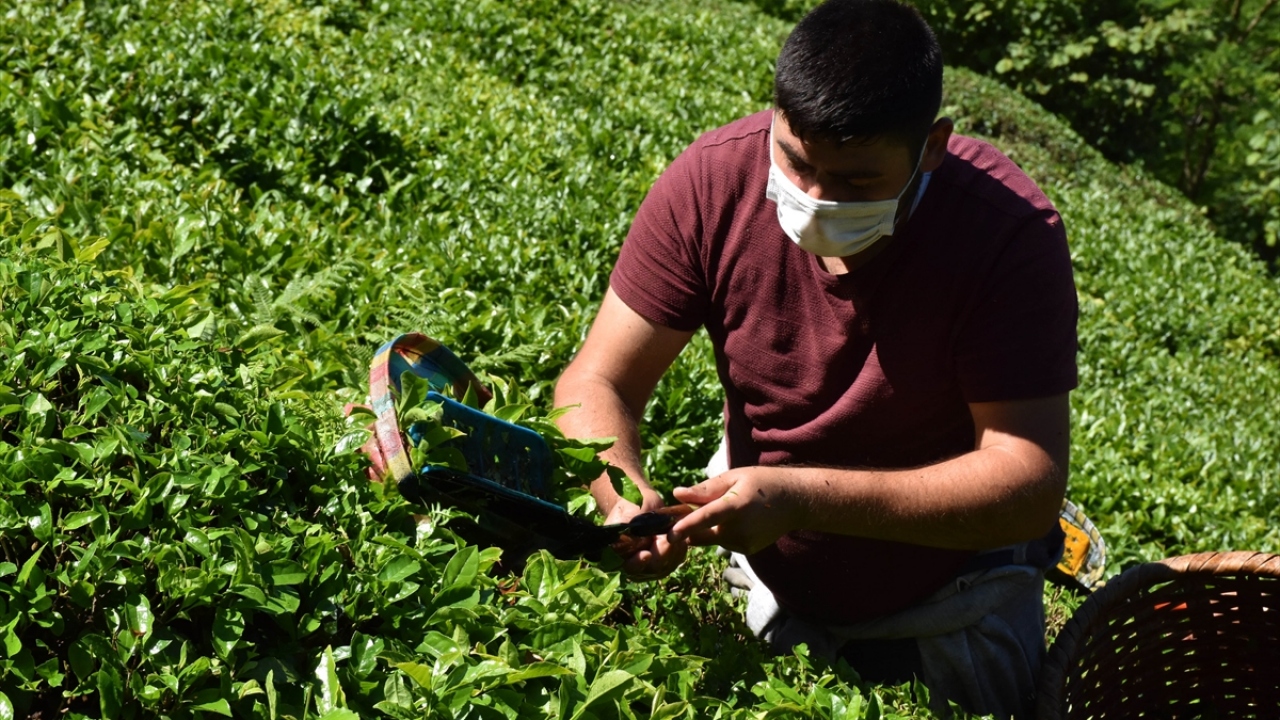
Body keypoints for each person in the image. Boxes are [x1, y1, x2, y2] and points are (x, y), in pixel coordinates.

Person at [553, 0, 1077, 715]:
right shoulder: (714, 182)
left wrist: (801, 498)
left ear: (932, 147)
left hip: (942, 606)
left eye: (858, 182)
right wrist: (619, 490)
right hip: (768, 577)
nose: (814, 199)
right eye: (795, 161)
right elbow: (598, 378)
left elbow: (1028, 481)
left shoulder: (1005, 237)